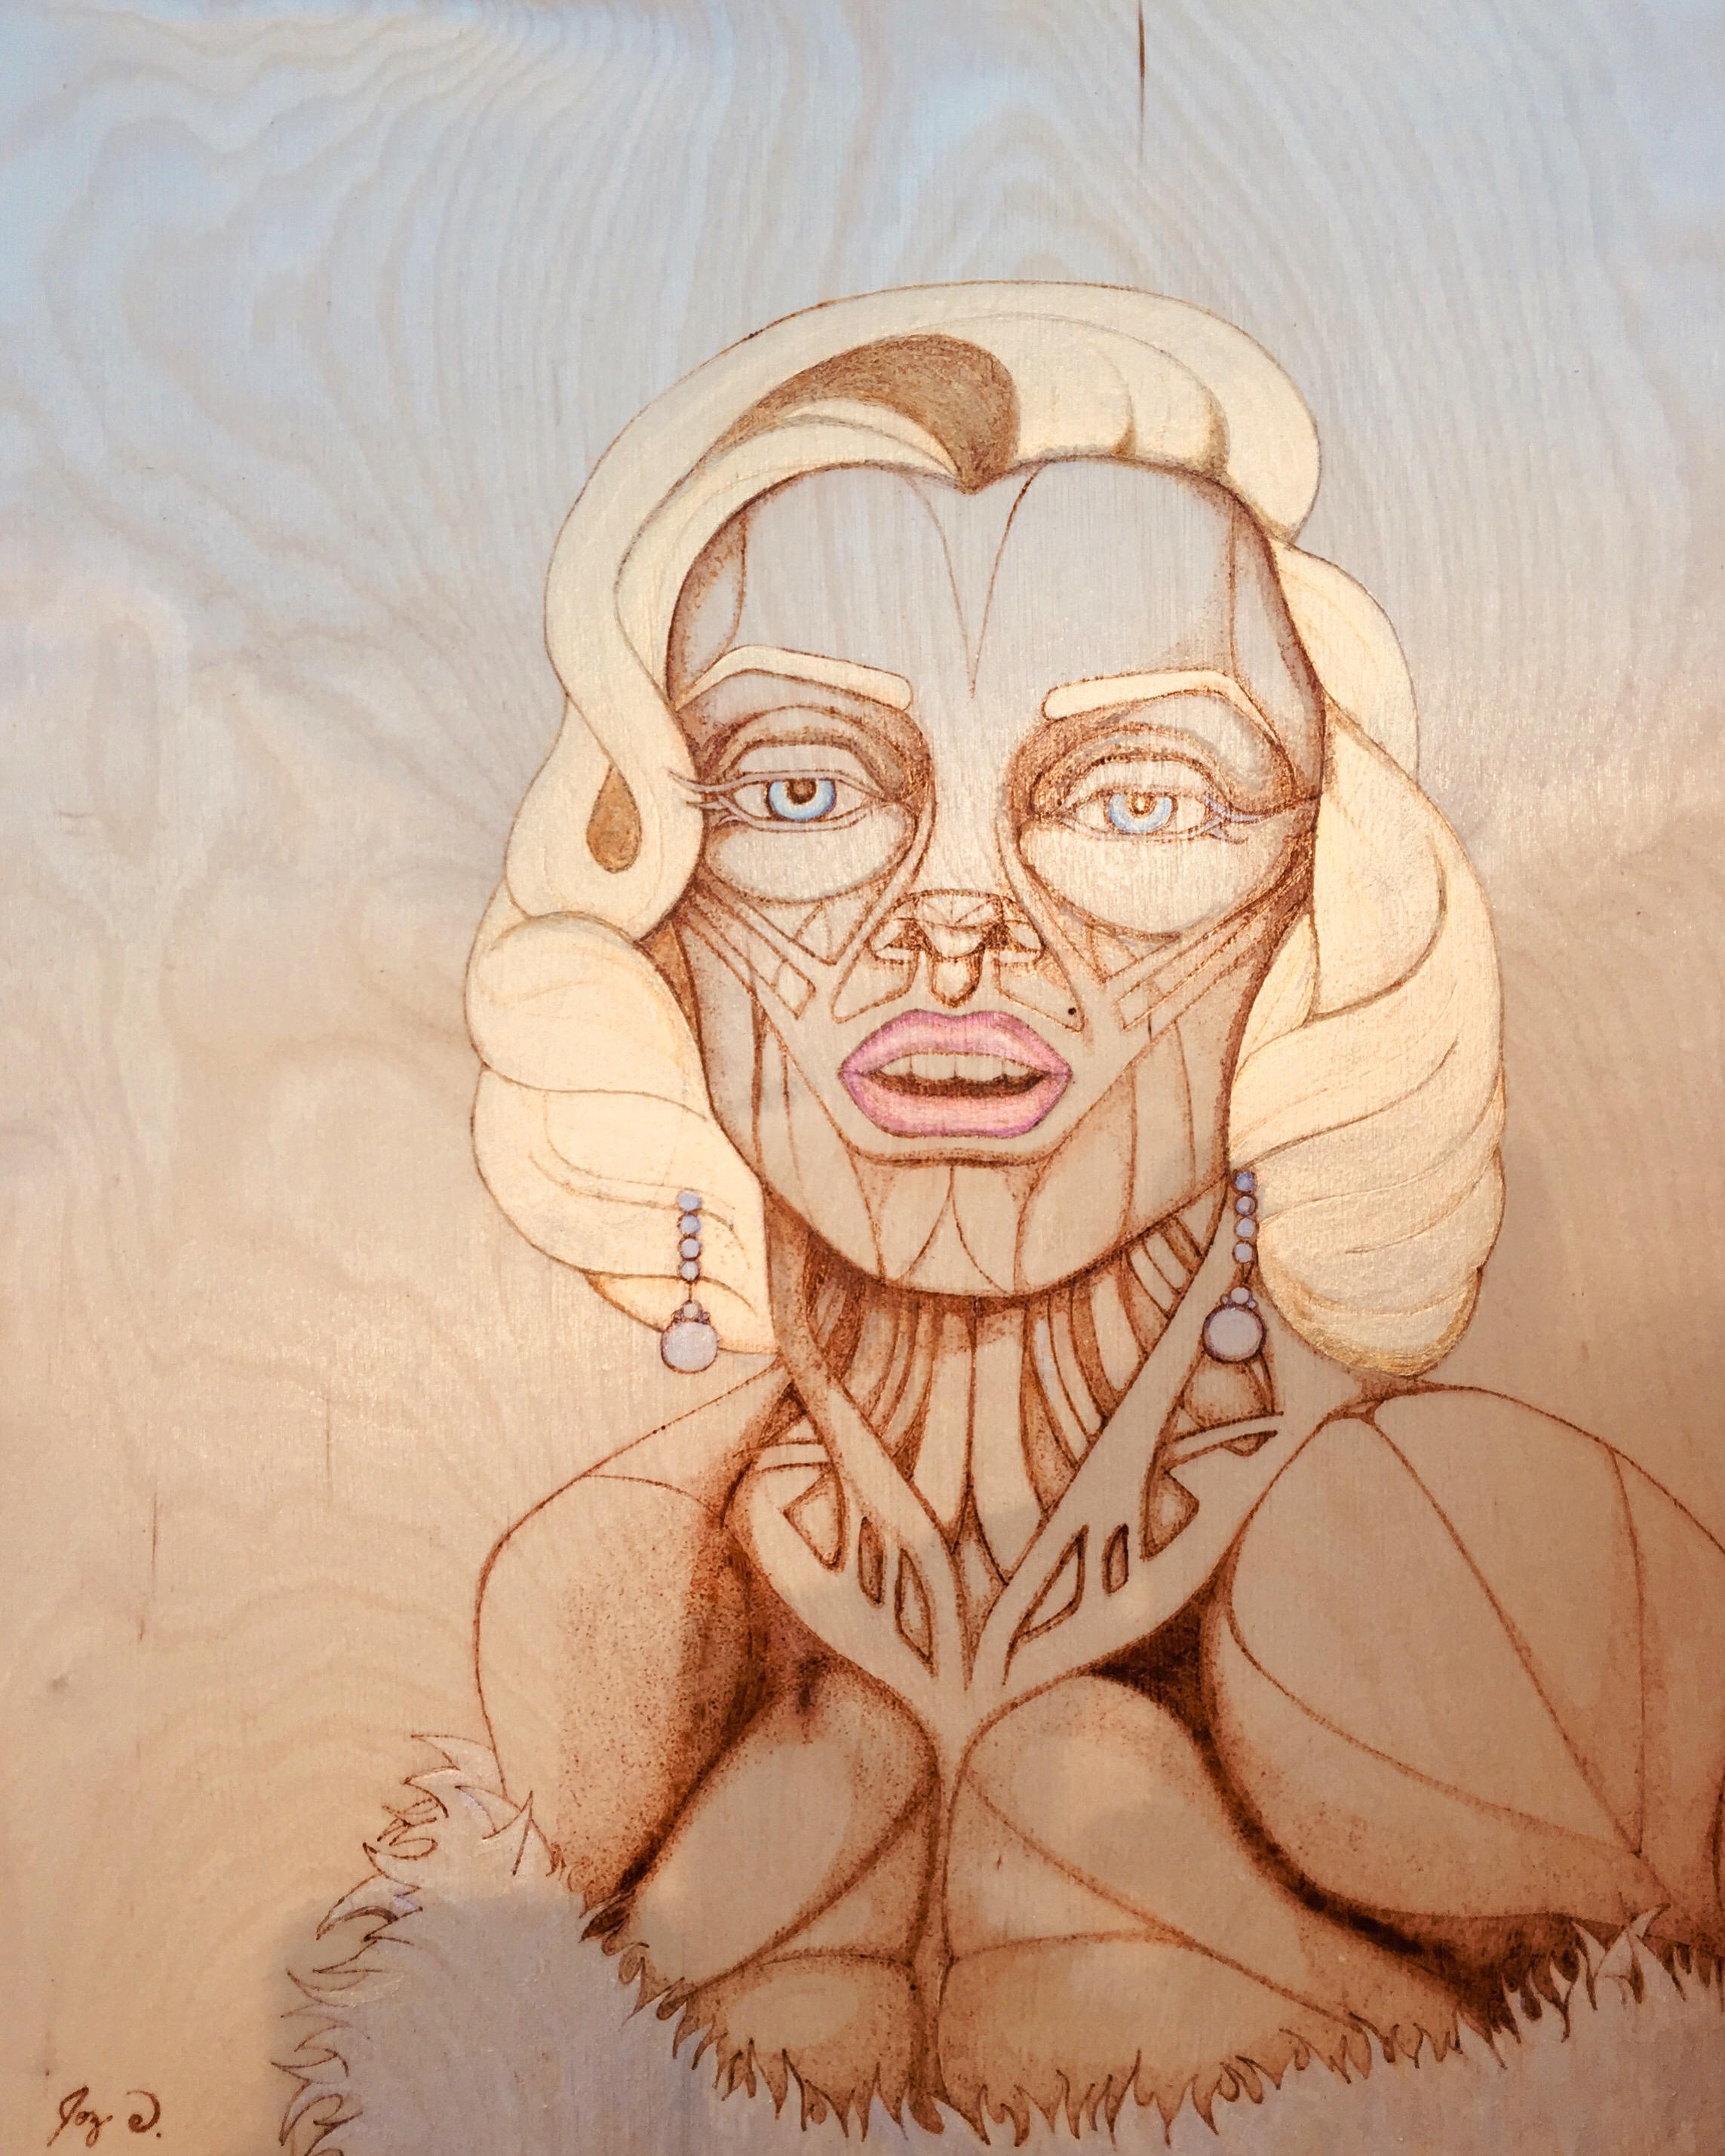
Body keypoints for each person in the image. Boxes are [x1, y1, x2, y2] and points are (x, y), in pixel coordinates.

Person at [464, 286, 1725, 2136]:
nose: (954, 915)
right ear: (657, 903)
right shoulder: (596, 1597)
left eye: (1138, 797)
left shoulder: (1492, 1560)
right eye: (803, 784)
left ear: (1319, 901)